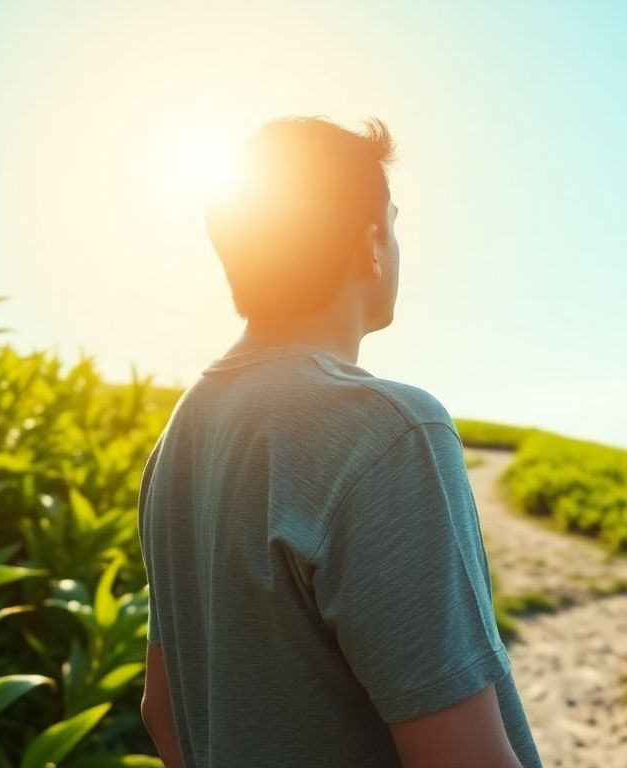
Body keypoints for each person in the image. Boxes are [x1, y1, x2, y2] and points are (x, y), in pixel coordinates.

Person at [136, 116, 542, 768]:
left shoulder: (179, 439)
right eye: (394, 223)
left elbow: (162, 711)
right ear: (370, 244)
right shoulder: (387, 433)